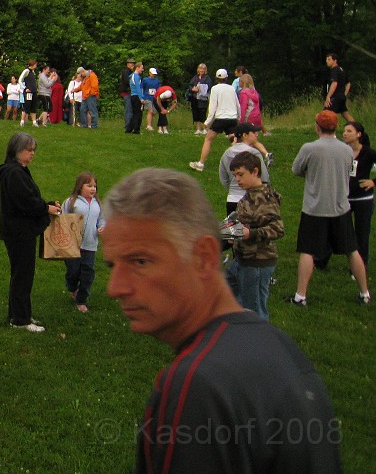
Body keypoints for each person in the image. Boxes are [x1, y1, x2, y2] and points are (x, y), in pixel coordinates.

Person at [101, 168, 341, 473]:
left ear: (203, 257)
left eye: (140, 261)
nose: (114, 287)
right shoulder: (279, 347)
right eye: (112, 265)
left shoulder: (198, 386)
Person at [286, 111, 371, 306]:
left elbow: (296, 170)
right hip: (341, 208)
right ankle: (364, 293)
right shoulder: (347, 149)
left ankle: (300, 296)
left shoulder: (309, 148)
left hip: (314, 209)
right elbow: (348, 170)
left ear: (317, 127)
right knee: (352, 249)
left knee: (307, 250)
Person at [0, 133, 57, 333]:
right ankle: (20, 319)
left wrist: (46, 205)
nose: (32, 154)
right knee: (23, 275)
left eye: (33, 150)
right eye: (28, 150)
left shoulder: (18, 171)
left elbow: (28, 198)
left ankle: (19, 314)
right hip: (19, 232)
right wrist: (46, 209)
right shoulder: (14, 174)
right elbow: (25, 202)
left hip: (19, 231)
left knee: (21, 274)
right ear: (17, 150)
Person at [226, 151, 284, 321]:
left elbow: (277, 229)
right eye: (235, 175)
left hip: (257, 262)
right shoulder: (248, 195)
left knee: (254, 311)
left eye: (241, 174)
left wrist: (250, 234)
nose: (237, 179)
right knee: (226, 294)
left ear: (255, 171)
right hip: (241, 259)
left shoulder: (265, 197)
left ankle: (260, 342)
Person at [62, 172, 104, 313]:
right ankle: (72, 287)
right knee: (73, 271)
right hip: (72, 245)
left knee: (88, 273)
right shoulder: (71, 202)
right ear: (80, 187)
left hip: (90, 244)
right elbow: (62, 218)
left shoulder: (97, 204)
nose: (93, 189)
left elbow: (102, 219)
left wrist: (101, 227)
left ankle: (81, 300)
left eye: (95, 186)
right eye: (89, 185)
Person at [189, 68, 238, 172]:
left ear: (216, 78)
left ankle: (200, 164)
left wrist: (207, 122)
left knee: (208, 139)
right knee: (233, 139)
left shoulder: (215, 89)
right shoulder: (232, 89)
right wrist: (239, 117)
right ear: (226, 78)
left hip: (221, 118)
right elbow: (237, 105)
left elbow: (212, 107)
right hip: (232, 118)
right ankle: (240, 162)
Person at [343, 121, 375, 270]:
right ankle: (320, 261)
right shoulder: (342, 151)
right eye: (344, 131)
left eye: (349, 131)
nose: (345, 133)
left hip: (363, 199)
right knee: (339, 229)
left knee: (362, 233)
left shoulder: (368, 153)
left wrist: (373, 182)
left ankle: (360, 266)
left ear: (358, 134)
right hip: (344, 198)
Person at [219, 123, 270, 214]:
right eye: (253, 132)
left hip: (232, 199)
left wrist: (232, 189)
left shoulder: (227, 153)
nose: (257, 134)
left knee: (235, 228)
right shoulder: (254, 153)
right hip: (252, 199)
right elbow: (264, 177)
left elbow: (223, 178)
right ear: (245, 135)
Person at [324, 52, 355, 123]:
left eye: (329, 59)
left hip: (335, 96)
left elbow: (334, 83)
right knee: (345, 114)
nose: (327, 61)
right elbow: (348, 83)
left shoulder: (334, 70)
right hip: (341, 96)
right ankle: (357, 129)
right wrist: (344, 94)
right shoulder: (341, 70)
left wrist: (328, 96)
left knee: (325, 114)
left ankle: (328, 132)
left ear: (335, 61)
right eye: (326, 60)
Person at [188, 63, 211, 135]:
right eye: (200, 68)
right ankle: (198, 129)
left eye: (203, 69)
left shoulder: (207, 78)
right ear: (198, 69)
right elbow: (190, 85)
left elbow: (209, 86)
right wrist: (192, 89)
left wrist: (201, 88)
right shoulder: (195, 77)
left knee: (203, 113)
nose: (202, 70)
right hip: (194, 98)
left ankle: (205, 128)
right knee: (196, 113)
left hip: (202, 98)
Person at [125, 62, 144, 134]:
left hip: (133, 96)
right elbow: (138, 88)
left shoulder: (132, 76)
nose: (142, 69)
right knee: (138, 113)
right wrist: (141, 98)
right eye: (141, 68)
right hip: (136, 96)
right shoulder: (136, 76)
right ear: (137, 68)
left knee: (135, 113)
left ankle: (129, 129)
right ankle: (136, 130)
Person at [120, 57, 135, 131]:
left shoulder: (131, 72)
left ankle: (130, 125)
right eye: (131, 63)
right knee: (128, 109)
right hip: (127, 92)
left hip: (129, 92)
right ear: (127, 64)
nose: (132, 65)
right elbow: (127, 81)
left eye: (133, 63)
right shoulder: (126, 71)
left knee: (130, 109)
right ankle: (128, 126)